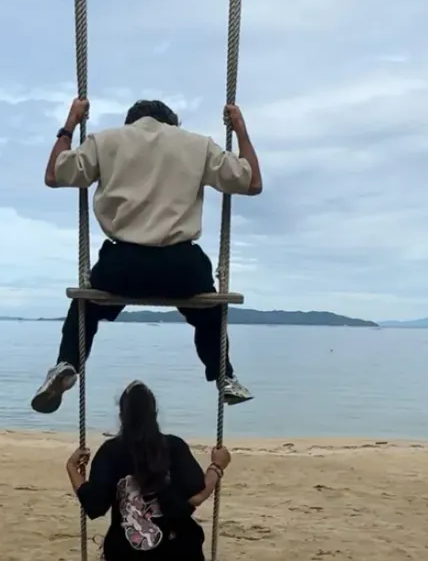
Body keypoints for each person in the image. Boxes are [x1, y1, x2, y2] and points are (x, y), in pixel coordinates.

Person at [31, 96, 263, 414]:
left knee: (85, 307)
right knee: (209, 312)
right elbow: (252, 183)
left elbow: (54, 175)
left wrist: (70, 123)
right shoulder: (197, 145)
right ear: (171, 123)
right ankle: (225, 375)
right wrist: (240, 130)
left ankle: (67, 362)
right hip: (181, 267)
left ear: (132, 122)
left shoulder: (106, 141)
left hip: (122, 265)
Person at [66, 380, 231, 561]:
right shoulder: (173, 446)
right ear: (155, 414)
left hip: (126, 559)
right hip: (179, 554)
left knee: (114, 546)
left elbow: (94, 505)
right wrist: (217, 466)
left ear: (121, 416)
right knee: (174, 548)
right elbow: (198, 493)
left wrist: (72, 468)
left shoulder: (110, 452)